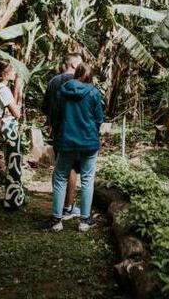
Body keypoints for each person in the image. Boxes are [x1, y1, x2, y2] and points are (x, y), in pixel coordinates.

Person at [47, 63, 104, 232]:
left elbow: (56, 115)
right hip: (89, 142)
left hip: (66, 141)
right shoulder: (93, 93)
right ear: (90, 76)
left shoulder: (63, 91)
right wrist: (92, 129)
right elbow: (99, 118)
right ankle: (85, 221)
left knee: (60, 178)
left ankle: (57, 220)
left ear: (75, 74)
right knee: (87, 179)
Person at [42, 53, 84, 220]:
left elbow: (45, 107)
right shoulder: (80, 82)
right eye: (80, 63)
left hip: (59, 131)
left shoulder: (53, 82)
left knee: (59, 167)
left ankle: (58, 207)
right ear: (73, 64)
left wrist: (52, 122)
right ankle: (68, 207)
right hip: (76, 131)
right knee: (73, 168)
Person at [0, 61, 25, 209]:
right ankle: (12, 200)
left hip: (6, 128)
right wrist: (19, 92)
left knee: (12, 161)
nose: (14, 72)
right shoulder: (4, 90)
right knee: (14, 163)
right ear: (4, 74)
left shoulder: (0, 88)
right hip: (9, 128)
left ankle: (14, 197)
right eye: (11, 70)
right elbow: (17, 113)